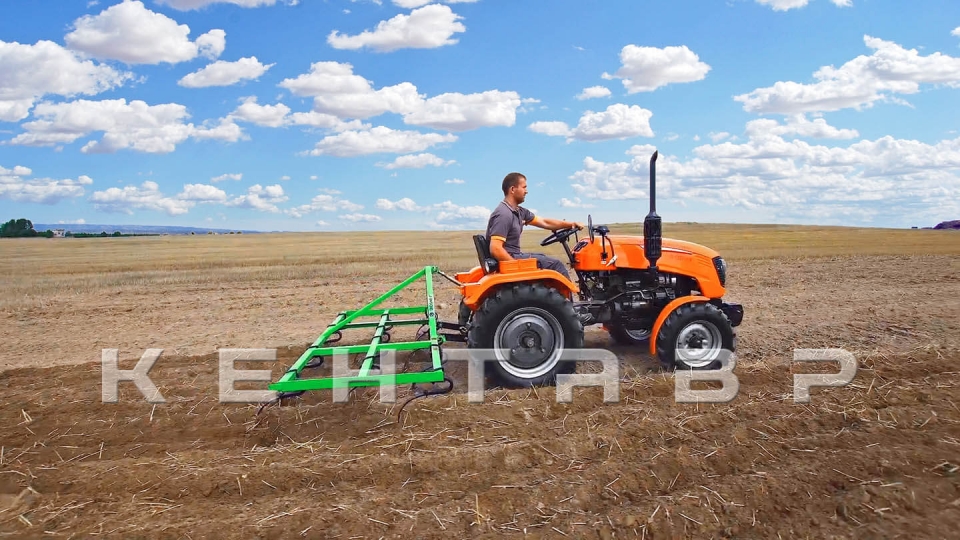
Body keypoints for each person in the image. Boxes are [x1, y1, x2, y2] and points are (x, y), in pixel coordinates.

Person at [485, 172, 584, 280]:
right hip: (510, 259)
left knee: (543, 258)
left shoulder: (519, 212)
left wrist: (571, 224)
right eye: (524, 187)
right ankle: (567, 291)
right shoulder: (504, 214)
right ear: (513, 189)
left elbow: (545, 222)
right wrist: (516, 267)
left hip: (515, 256)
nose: (526, 191)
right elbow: (495, 249)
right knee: (556, 265)